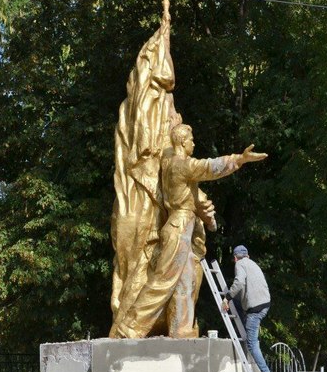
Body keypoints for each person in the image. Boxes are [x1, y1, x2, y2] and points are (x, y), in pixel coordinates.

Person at [113, 125, 267, 338]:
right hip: (178, 227)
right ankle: (129, 327)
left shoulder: (169, 162)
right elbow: (208, 167)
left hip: (184, 226)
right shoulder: (180, 165)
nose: (194, 143)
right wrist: (239, 159)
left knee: (186, 282)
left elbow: (192, 189)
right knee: (162, 281)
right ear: (182, 142)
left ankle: (181, 329)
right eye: (191, 140)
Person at [222, 245, 275, 372]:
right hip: (265, 304)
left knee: (252, 344)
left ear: (235, 258)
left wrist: (227, 298)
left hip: (255, 309)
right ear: (248, 256)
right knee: (239, 304)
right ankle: (243, 318)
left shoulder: (240, 264)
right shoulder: (253, 264)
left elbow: (239, 282)